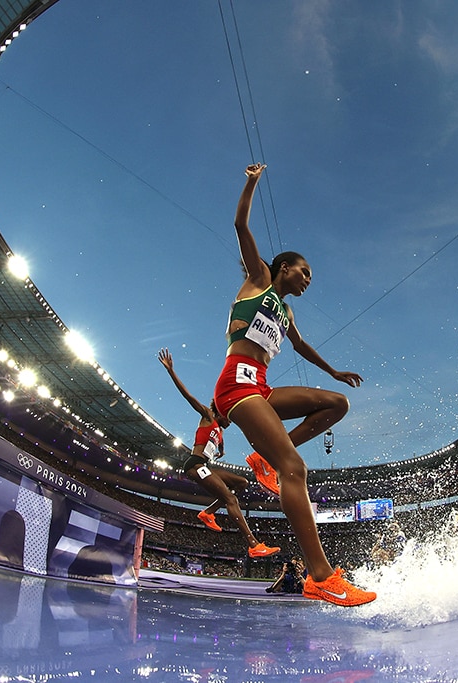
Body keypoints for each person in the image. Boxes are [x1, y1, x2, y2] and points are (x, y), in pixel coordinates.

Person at [212, 163, 375, 606]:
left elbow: (301, 346)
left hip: (260, 387)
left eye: (310, 278)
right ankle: (320, 576)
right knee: (296, 471)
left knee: (335, 404)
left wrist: (334, 373)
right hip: (235, 386)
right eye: (303, 272)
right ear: (282, 268)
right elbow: (240, 224)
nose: (307, 280)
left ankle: (265, 462)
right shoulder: (259, 280)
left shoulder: (286, 314)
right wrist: (249, 182)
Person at [158, 348, 279, 559]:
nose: (230, 421)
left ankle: (209, 512)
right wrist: (171, 371)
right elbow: (188, 396)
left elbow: (218, 445)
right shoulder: (207, 415)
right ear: (220, 410)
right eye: (229, 418)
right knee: (231, 499)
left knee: (241, 483)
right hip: (195, 465)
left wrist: (222, 450)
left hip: (206, 466)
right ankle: (253, 544)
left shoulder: (220, 433)